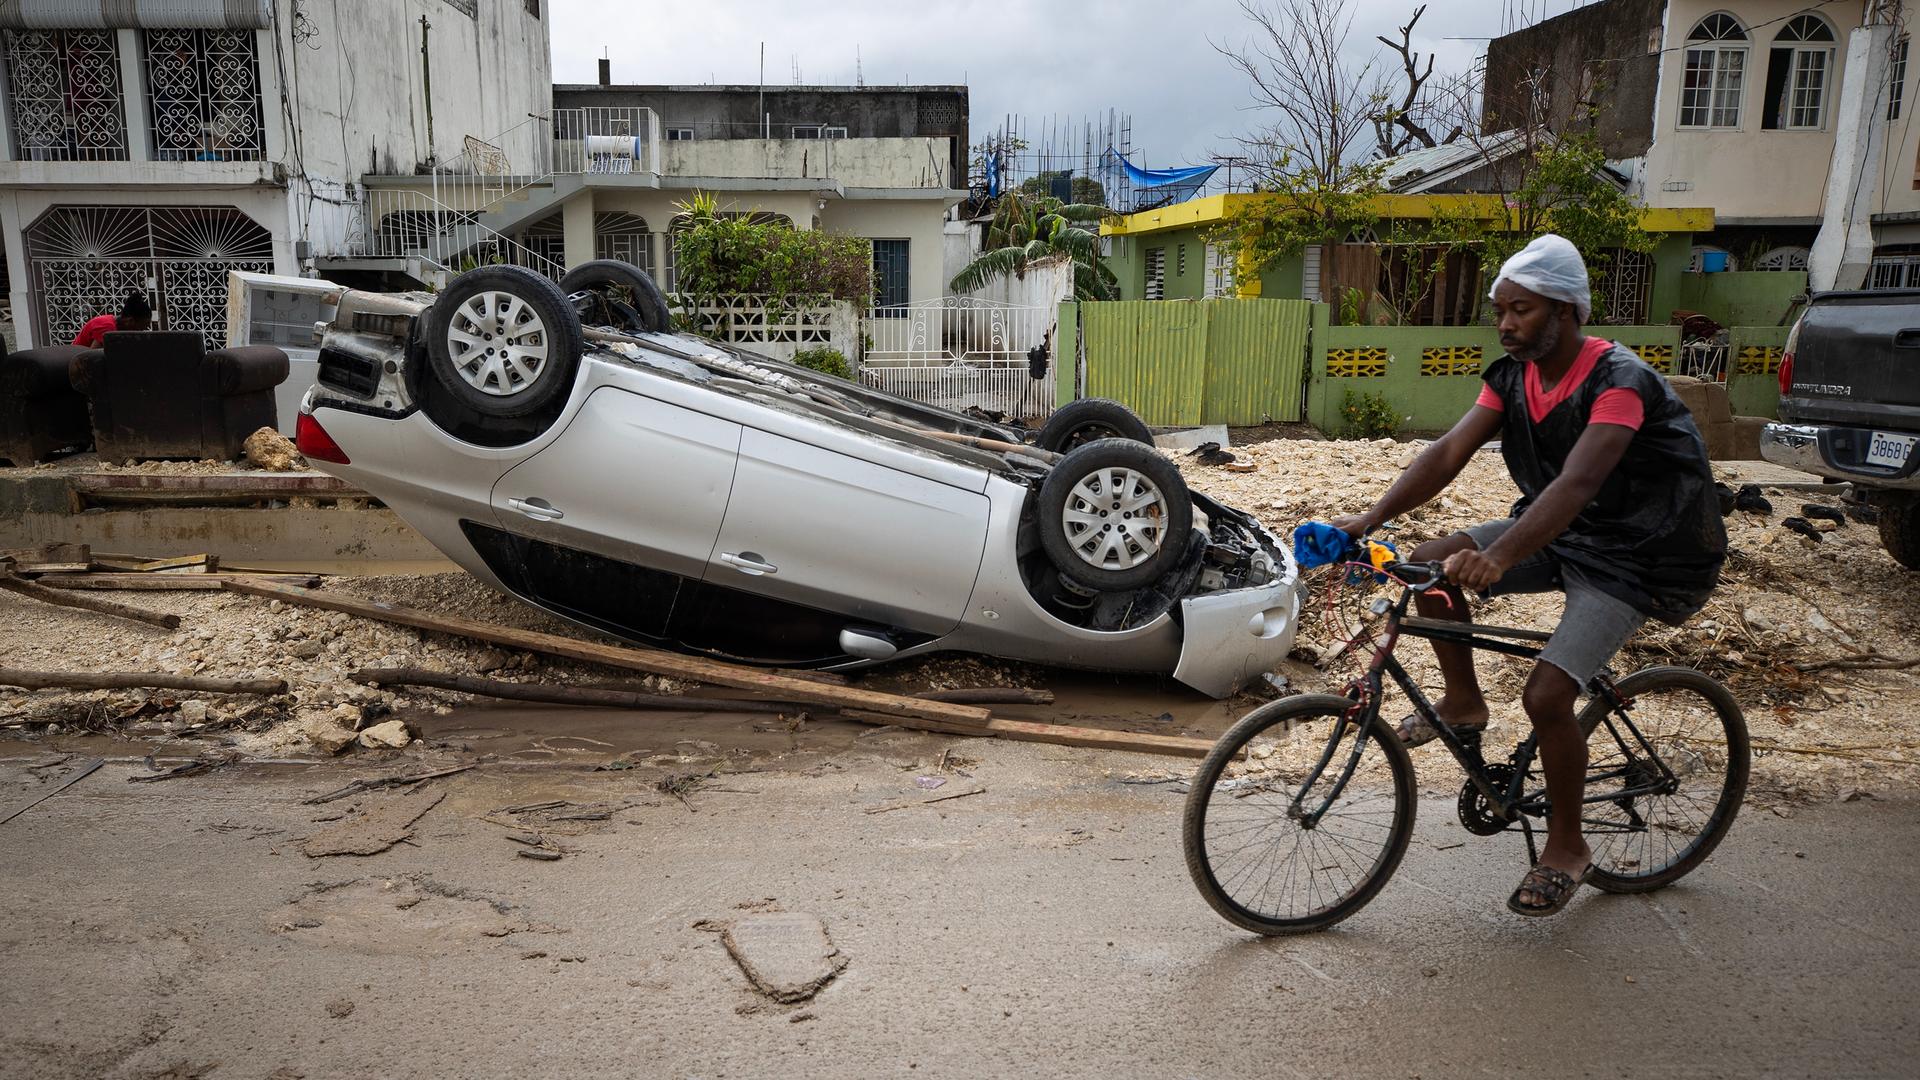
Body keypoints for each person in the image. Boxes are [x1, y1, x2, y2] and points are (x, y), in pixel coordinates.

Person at [1327, 234, 1726, 918]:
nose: (1507, 324)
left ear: (1567, 311)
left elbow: (1579, 481)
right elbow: (1450, 449)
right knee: (1430, 563)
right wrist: (1367, 520)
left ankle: (1566, 848)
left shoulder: (1620, 381)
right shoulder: (1511, 379)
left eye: (1523, 311)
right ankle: (1464, 703)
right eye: (1501, 311)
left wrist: (1503, 554)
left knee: (1546, 697)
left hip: (1638, 553)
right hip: (1567, 532)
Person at [72, 291, 154, 348]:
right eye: (141, 328)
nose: (141, 332)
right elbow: (92, 359)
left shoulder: (115, 325)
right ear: (130, 321)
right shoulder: (107, 328)